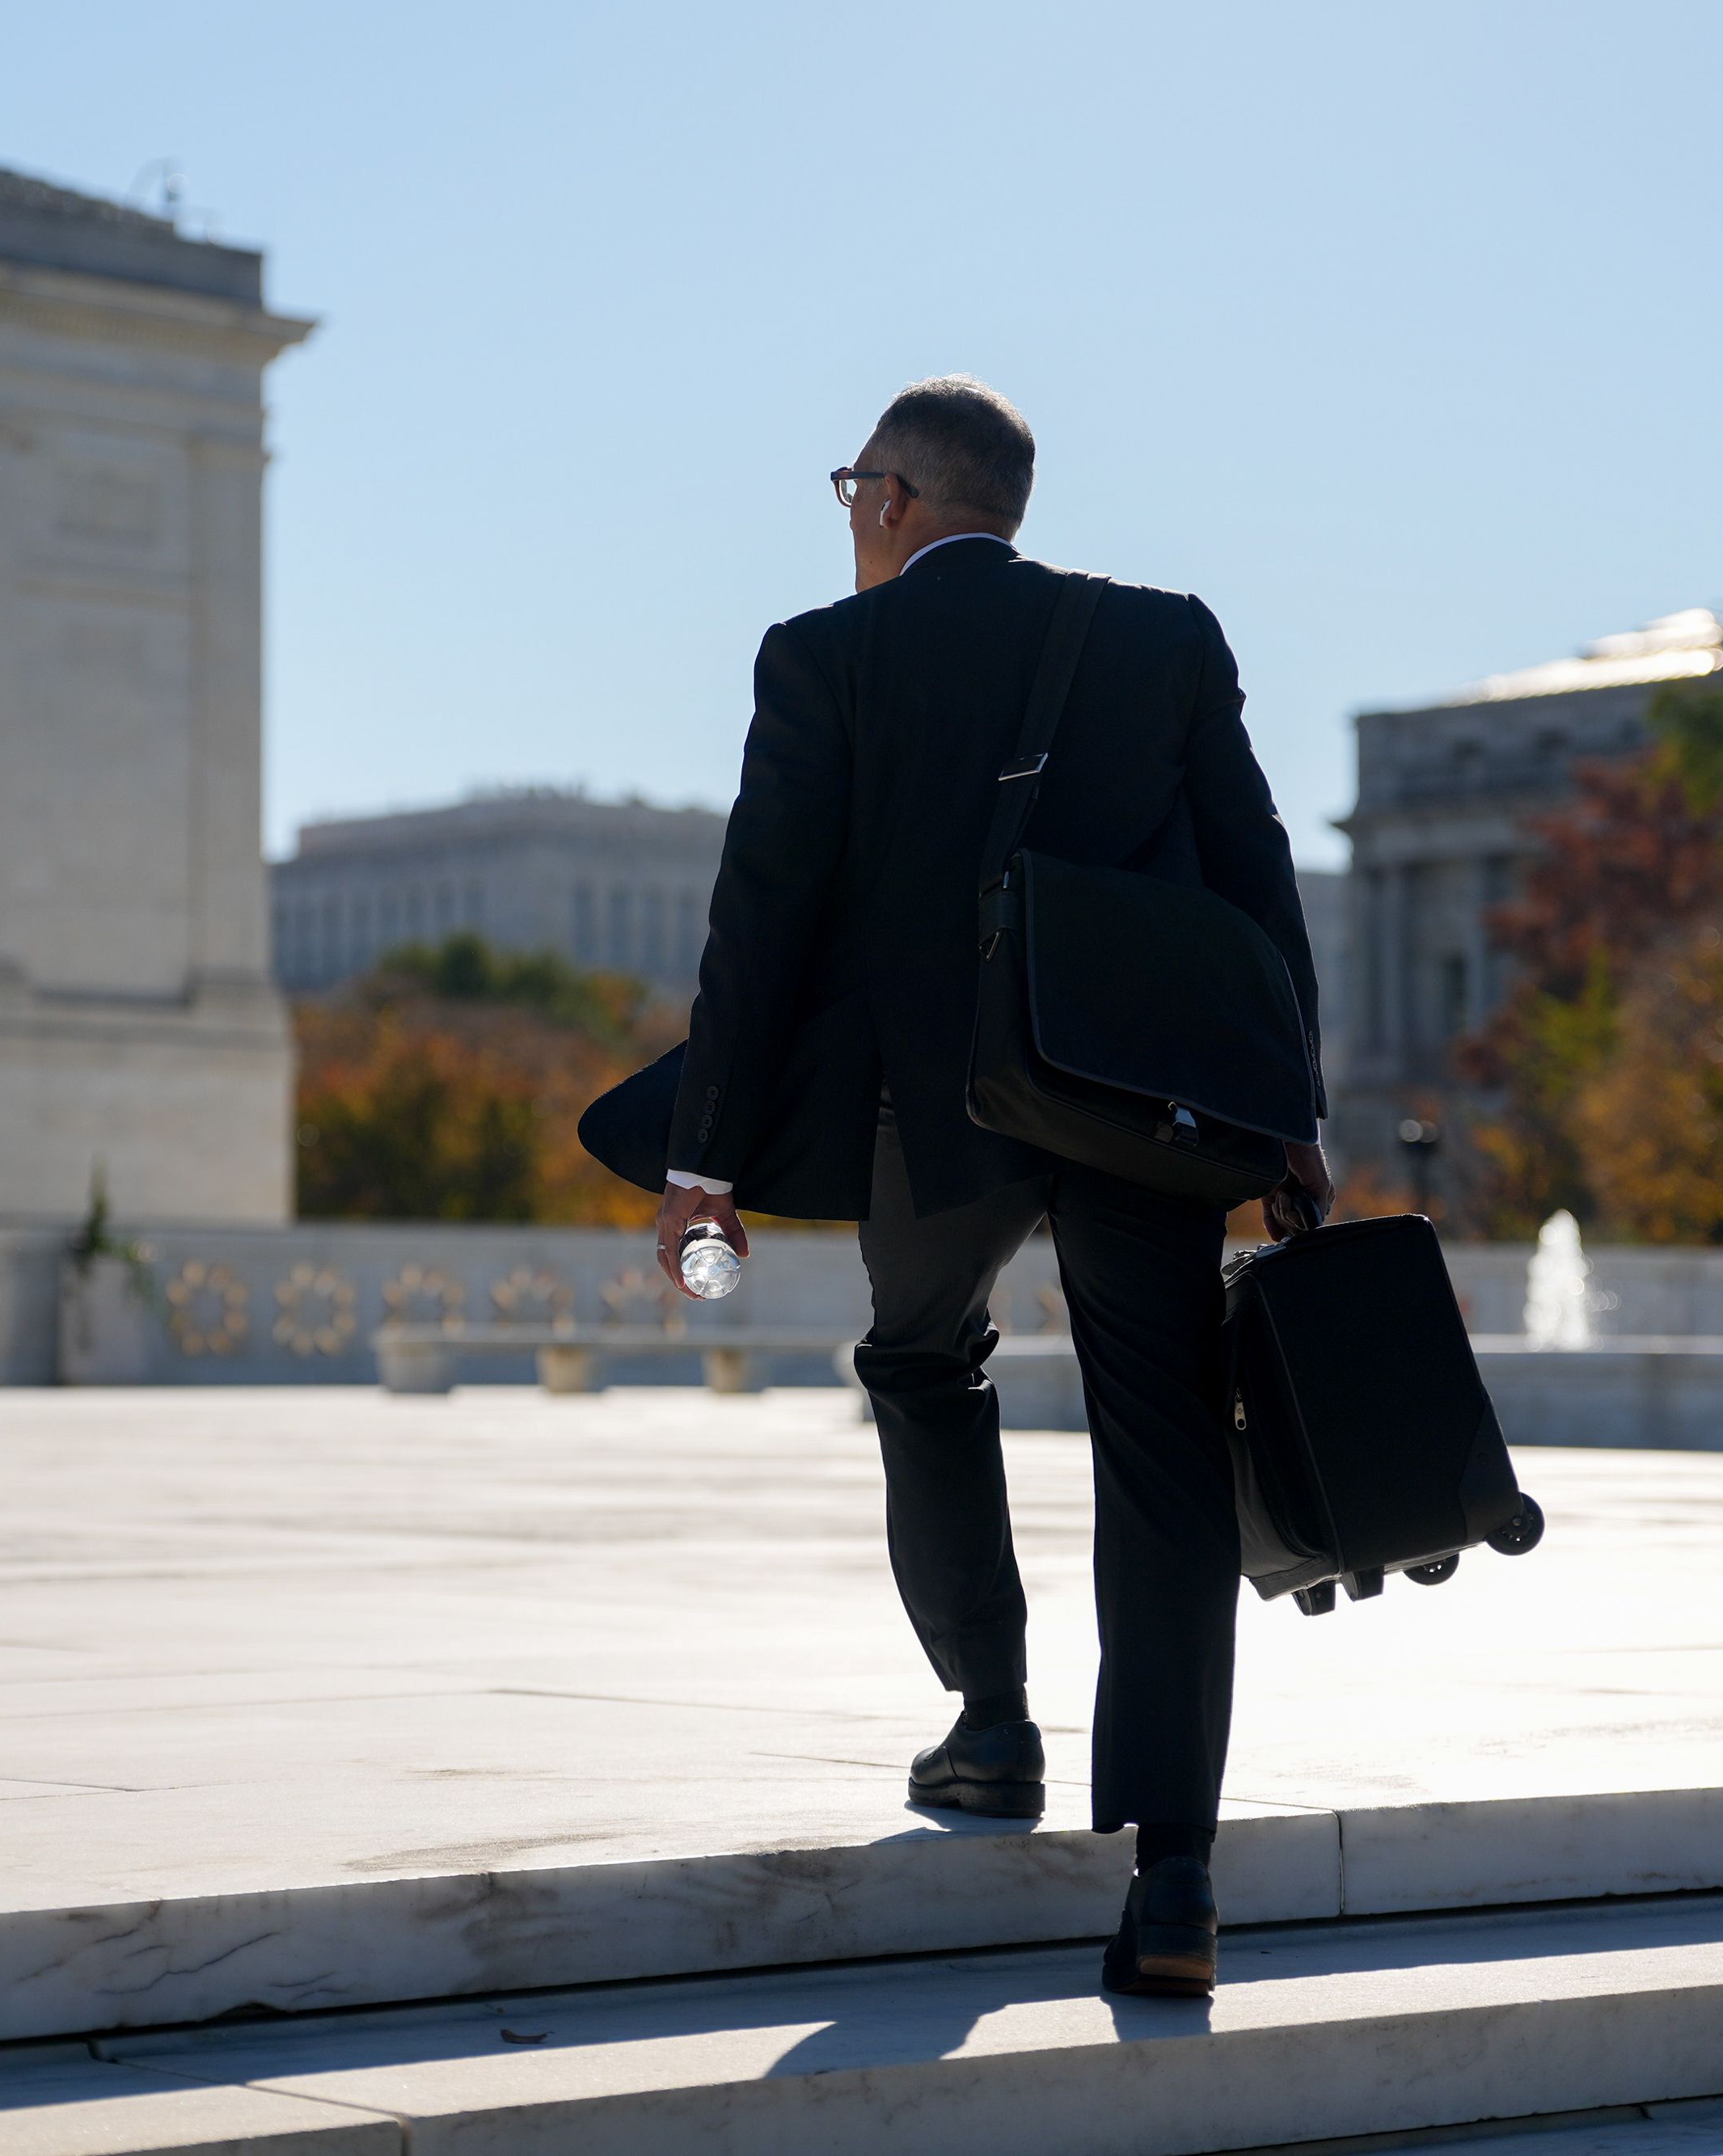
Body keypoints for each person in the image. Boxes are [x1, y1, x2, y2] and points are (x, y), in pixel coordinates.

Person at [654, 376, 1328, 1998]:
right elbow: (1252, 873)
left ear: (890, 498)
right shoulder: (1164, 639)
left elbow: (762, 917)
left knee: (915, 1359)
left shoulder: (822, 658)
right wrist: (1293, 1118)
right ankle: (1171, 1875)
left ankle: (991, 1723)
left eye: (847, 488)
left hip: (934, 1106)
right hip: (1137, 1098)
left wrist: (704, 1162)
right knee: (1160, 1439)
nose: (846, 516)